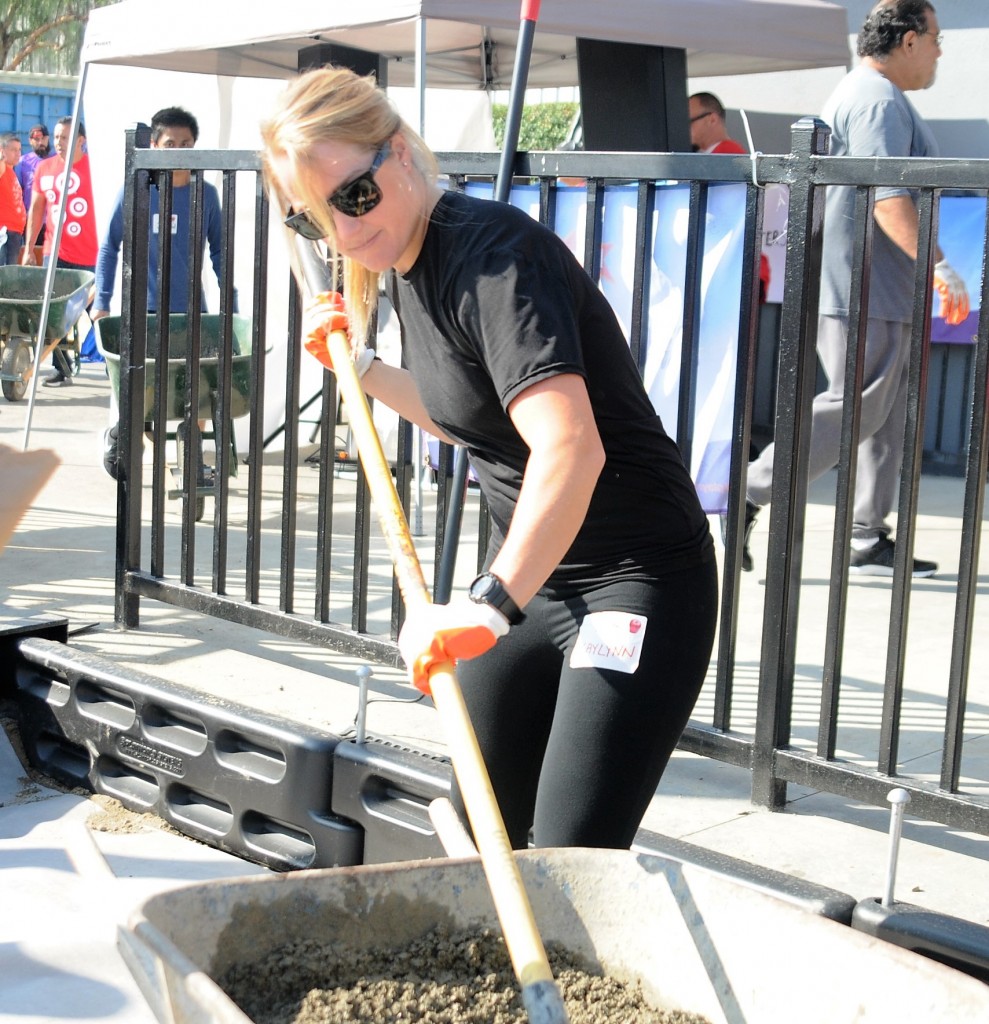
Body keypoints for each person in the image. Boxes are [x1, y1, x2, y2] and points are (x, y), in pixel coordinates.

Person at [260, 67, 718, 851]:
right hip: (538, 581)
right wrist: (358, 369)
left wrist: (487, 603)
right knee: (479, 827)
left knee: (571, 853)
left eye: (352, 197)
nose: (339, 232)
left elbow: (568, 445)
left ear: (399, 154)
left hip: (633, 577)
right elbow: (463, 418)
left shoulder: (495, 258)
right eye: (310, 220)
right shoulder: (403, 261)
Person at [740, 0, 966, 579]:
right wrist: (938, 268)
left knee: (883, 417)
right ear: (909, 40)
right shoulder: (876, 99)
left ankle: (869, 537)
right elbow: (887, 196)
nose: (942, 50)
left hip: (878, 283)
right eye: (937, 38)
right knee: (856, 408)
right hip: (867, 283)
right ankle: (745, 492)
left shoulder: (874, 96)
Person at [94, 106, 230, 481]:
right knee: (144, 392)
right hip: (144, 310)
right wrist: (102, 302)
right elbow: (109, 247)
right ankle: (123, 436)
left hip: (191, 311)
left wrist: (229, 302)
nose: (180, 150)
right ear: (154, 145)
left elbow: (221, 253)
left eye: (187, 143)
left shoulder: (207, 196)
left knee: (195, 391)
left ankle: (192, 464)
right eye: (171, 143)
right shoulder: (137, 191)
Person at [21, 117, 99, 387]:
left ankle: (120, 370)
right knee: (55, 316)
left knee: (101, 315)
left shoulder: (96, 168)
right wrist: (30, 247)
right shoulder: (45, 168)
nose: (58, 143)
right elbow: (37, 209)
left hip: (93, 258)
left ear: (81, 140)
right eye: (56, 137)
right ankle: (62, 369)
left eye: (65, 138)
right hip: (57, 255)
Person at [689, 91, 771, 303]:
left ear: (712, 119)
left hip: (732, 270)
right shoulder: (718, 156)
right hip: (729, 268)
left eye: (690, 120)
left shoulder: (728, 157)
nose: (685, 126)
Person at [14, 123, 49, 252]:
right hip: (32, 221)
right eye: (36, 139)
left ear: (48, 139)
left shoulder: (57, 160)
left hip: (53, 221)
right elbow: (17, 192)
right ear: (30, 141)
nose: (40, 142)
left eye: (43, 138)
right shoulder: (22, 162)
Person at [0, 133, 26, 266]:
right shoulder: (2, 169)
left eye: (19, 150)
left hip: (15, 233)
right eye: (13, 150)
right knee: (4, 276)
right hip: (5, 232)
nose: (18, 153)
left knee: (9, 276)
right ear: (2, 151)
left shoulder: (12, 172)